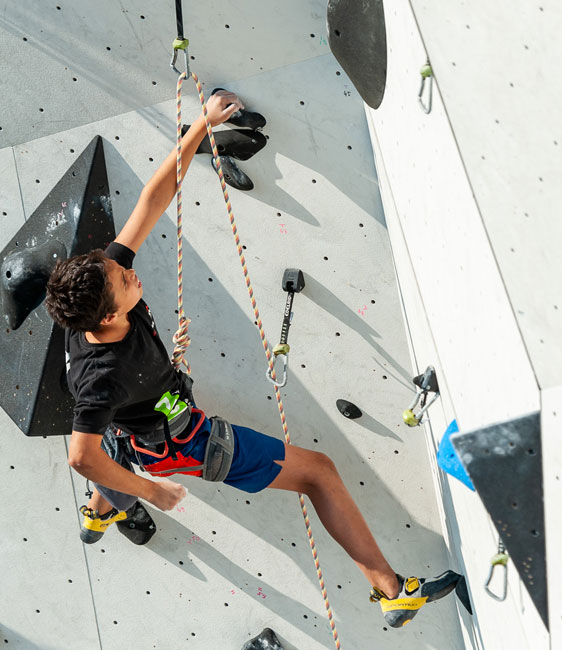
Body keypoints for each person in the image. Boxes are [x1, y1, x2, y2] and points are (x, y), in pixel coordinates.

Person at [44, 90, 459, 628]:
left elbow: (152, 198)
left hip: (135, 428)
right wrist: (154, 492)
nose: (131, 271)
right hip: (182, 443)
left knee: (119, 450)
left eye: (118, 267)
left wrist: (201, 126)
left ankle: (100, 512)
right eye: (125, 280)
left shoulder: (96, 301)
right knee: (319, 474)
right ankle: (391, 591)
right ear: (105, 318)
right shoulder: (102, 378)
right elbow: (80, 456)